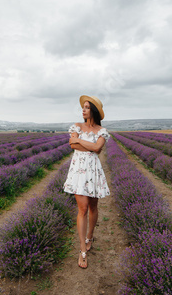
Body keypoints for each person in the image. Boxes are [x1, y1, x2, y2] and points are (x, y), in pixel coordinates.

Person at [63, 95, 110, 269]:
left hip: (93, 171)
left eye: (87, 107)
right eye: (83, 107)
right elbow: (72, 145)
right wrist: (85, 145)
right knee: (82, 208)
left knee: (93, 207)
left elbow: (98, 148)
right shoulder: (76, 126)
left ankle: (90, 236)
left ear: (94, 111)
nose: (83, 109)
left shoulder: (102, 130)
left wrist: (79, 140)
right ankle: (83, 249)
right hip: (79, 171)